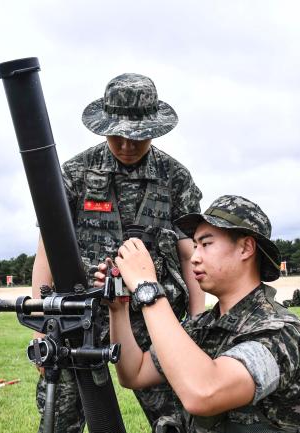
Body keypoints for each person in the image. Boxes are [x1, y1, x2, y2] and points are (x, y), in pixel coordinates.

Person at [32, 72, 206, 432]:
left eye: (137, 137)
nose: (126, 144)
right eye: (117, 135)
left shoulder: (175, 178)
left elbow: (190, 254)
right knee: (60, 419)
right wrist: (41, 325)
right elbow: (47, 252)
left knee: (177, 420)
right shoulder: (76, 174)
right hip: (81, 316)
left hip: (154, 313)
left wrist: (197, 318)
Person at [101, 195, 300, 433]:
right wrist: (119, 307)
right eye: (195, 246)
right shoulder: (202, 327)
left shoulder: (285, 332)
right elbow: (134, 373)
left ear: (246, 248)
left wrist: (147, 287)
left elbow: (204, 393)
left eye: (206, 244)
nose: (194, 257)